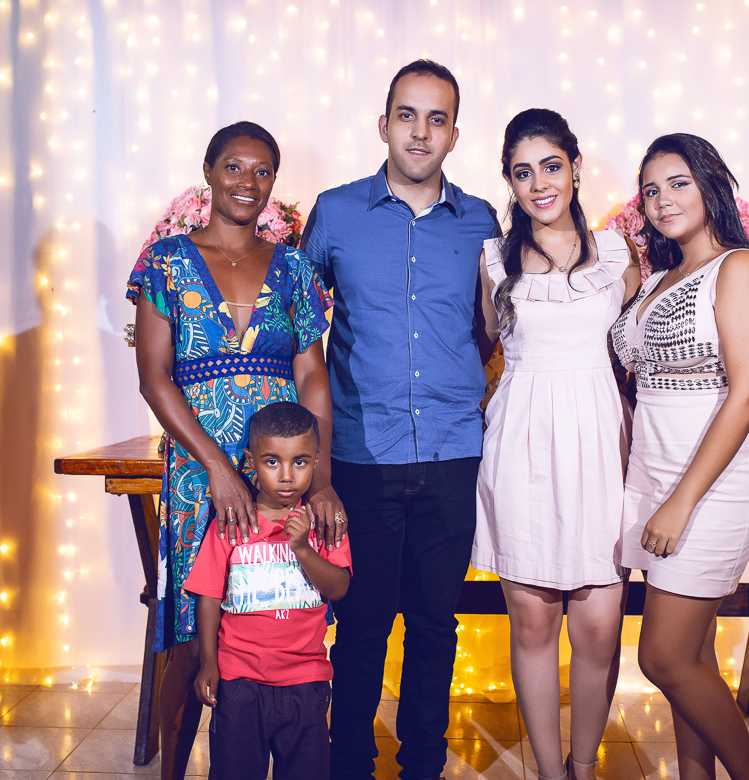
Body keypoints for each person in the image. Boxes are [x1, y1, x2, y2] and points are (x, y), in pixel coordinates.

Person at [299, 59, 499, 780]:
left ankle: (423, 766)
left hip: (452, 452)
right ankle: (349, 763)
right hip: (361, 455)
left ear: (454, 135)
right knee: (360, 624)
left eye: (436, 119)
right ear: (384, 125)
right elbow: (299, 325)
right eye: (407, 116)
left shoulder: (482, 220)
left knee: (435, 626)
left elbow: (492, 327)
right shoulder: (335, 213)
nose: (420, 132)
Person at [128, 121, 342, 780]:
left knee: (276, 608)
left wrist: (321, 478)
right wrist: (220, 469)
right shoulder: (166, 262)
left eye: (262, 171)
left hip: (284, 470)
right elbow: (154, 377)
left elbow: (312, 375)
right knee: (191, 631)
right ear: (209, 172)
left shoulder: (294, 268)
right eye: (233, 167)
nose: (247, 182)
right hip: (201, 471)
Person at [609, 134, 749, 780]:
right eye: (651, 190)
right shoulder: (659, 278)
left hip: (713, 486)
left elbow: (747, 393)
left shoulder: (739, 267)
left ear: (711, 185)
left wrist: (681, 502)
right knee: (693, 656)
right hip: (654, 474)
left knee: (663, 657)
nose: (663, 200)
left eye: (678, 183)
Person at [471, 109, 641, 780]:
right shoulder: (492, 259)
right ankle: (549, 772)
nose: (539, 183)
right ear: (510, 182)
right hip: (522, 445)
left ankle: (584, 763)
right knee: (534, 624)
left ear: (574, 167)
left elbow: (639, 353)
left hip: (600, 441)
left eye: (550, 166)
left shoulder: (619, 254)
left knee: (599, 627)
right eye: (523, 172)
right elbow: (482, 347)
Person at [185, 401, 352, 780]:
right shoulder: (232, 525)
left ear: (317, 461)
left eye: (301, 462)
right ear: (251, 460)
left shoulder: (322, 523)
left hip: (306, 681)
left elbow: (339, 587)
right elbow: (209, 596)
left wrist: (304, 550)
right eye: (272, 462)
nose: (287, 476)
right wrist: (209, 663)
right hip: (239, 682)